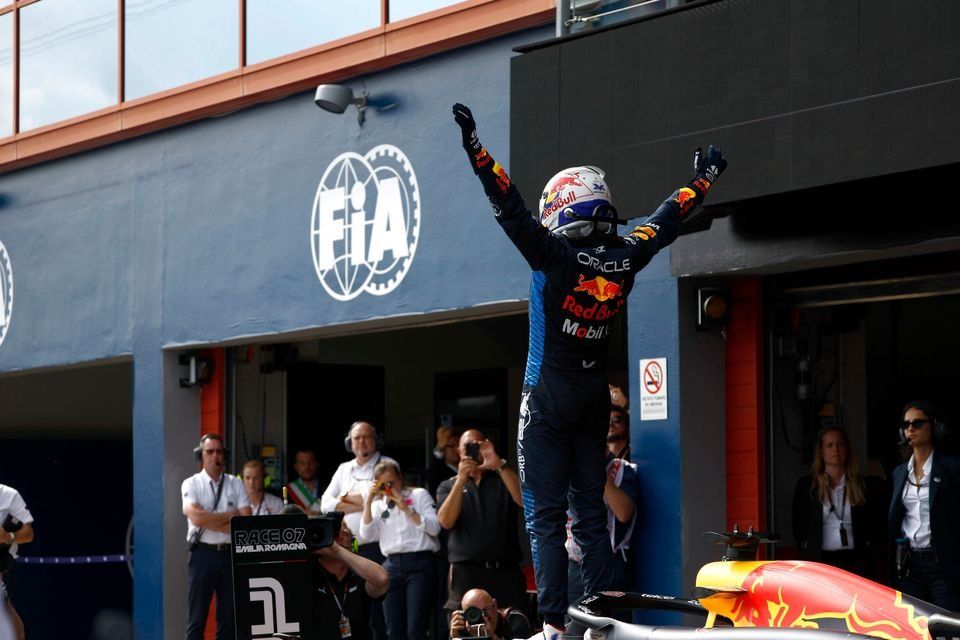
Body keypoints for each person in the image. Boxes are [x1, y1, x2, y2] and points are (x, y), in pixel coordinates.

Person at [452, 103, 727, 637]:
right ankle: (604, 618)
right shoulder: (627, 253)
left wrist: (475, 148)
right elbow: (669, 218)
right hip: (592, 397)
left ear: (562, 208)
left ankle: (554, 625)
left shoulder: (551, 256)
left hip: (549, 393)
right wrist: (705, 176)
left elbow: (505, 202)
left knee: (545, 518)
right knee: (591, 517)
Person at [320, 421, 396, 640]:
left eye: (366, 436)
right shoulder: (344, 468)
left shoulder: (387, 464)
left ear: (377, 439)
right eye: (356, 438)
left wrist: (344, 499)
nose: (361, 441)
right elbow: (325, 504)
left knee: (381, 614)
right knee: (356, 610)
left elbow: (384, 497)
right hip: (348, 549)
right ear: (349, 442)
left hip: (377, 548)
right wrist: (364, 500)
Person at [437, 429, 526, 613]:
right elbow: (445, 522)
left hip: (505, 572)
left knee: (512, 626)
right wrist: (461, 479)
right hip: (466, 574)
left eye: (477, 445)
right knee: (467, 628)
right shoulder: (448, 485)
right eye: (467, 447)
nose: (472, 451)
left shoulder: (502, 478)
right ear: (459, 451)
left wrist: (498, 464)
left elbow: (523, 500)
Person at [566, 400, 639, 613]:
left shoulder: (621, 468)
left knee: (611, 629)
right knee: (574, 631)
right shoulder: (569, 469)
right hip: (574, 566)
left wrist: (596, 471)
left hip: (610, 564)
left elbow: (624, 513)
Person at [888, 401, 960, 610]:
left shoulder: (953, 468)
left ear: (934, 426)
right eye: (906, 424)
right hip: (910, 565)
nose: (910, 428)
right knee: (912, 624)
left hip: (943, 565)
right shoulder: (899, 472)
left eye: (918, 423)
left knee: (948, 625)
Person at [181, 433, 251, 640]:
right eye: (209, 451)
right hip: (202, 553)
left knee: (228, 618)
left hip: (229, 555)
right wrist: (231, 516)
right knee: (196, 619)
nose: (215, 456)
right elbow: (195, 517)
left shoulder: (235, 484)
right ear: (200, 455)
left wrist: (209, 519)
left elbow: (245, 522)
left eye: (219, 451)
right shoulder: (191, 483)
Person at [360, 460, 440, 640]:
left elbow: (435, 528)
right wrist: (368, 501)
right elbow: (365, 535)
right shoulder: (378, 505)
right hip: (392, 565)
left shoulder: (418, 495)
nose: (389, 487)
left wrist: (406, 507)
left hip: (419, 563)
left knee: (415, 630)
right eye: (384, 484)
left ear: (401, 479)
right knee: (393, 631)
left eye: (392, 482)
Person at [791, 427, 879, 578]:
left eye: (840, 444)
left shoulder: (862, 485)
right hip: (820, 561)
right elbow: (798, 525)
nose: (835, 449)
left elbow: (872, 524)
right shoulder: (807, 486)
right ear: (821, 452)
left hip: (855, 562)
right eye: (829, 445)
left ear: (847, 449)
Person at [314, 519, 389, 640]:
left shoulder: (360, 576)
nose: (343, 534)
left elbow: (382, 578)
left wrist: (338, 550)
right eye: (337, 533)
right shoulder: (312, 576)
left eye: (347, 532)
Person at [0, 483, 34, 640]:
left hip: (3, 569)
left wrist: (8, 537)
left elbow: (28, 533)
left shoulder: (8, 496)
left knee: (14, 631)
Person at [449, 588, 532, 640]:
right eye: (473, 614)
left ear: (495, 605)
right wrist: (454, 637)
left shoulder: (513, 620)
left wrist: (491, 636)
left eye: (485, 610)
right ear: (464, 614)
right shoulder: (461, 626)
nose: (482, 617)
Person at [426, 425, 460, 499]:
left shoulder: (470, 471)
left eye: (459, 446)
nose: (457, 449)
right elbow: (431, 476)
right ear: (444, 449)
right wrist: (440, 448)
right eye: (452, 446)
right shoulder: (438, 472)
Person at [287, 448, 322, 513]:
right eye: (302, 463)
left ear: (317, 464)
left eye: (310, 462)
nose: (307, 467)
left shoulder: (329, 488)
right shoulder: (287, 492)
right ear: (296, 466)